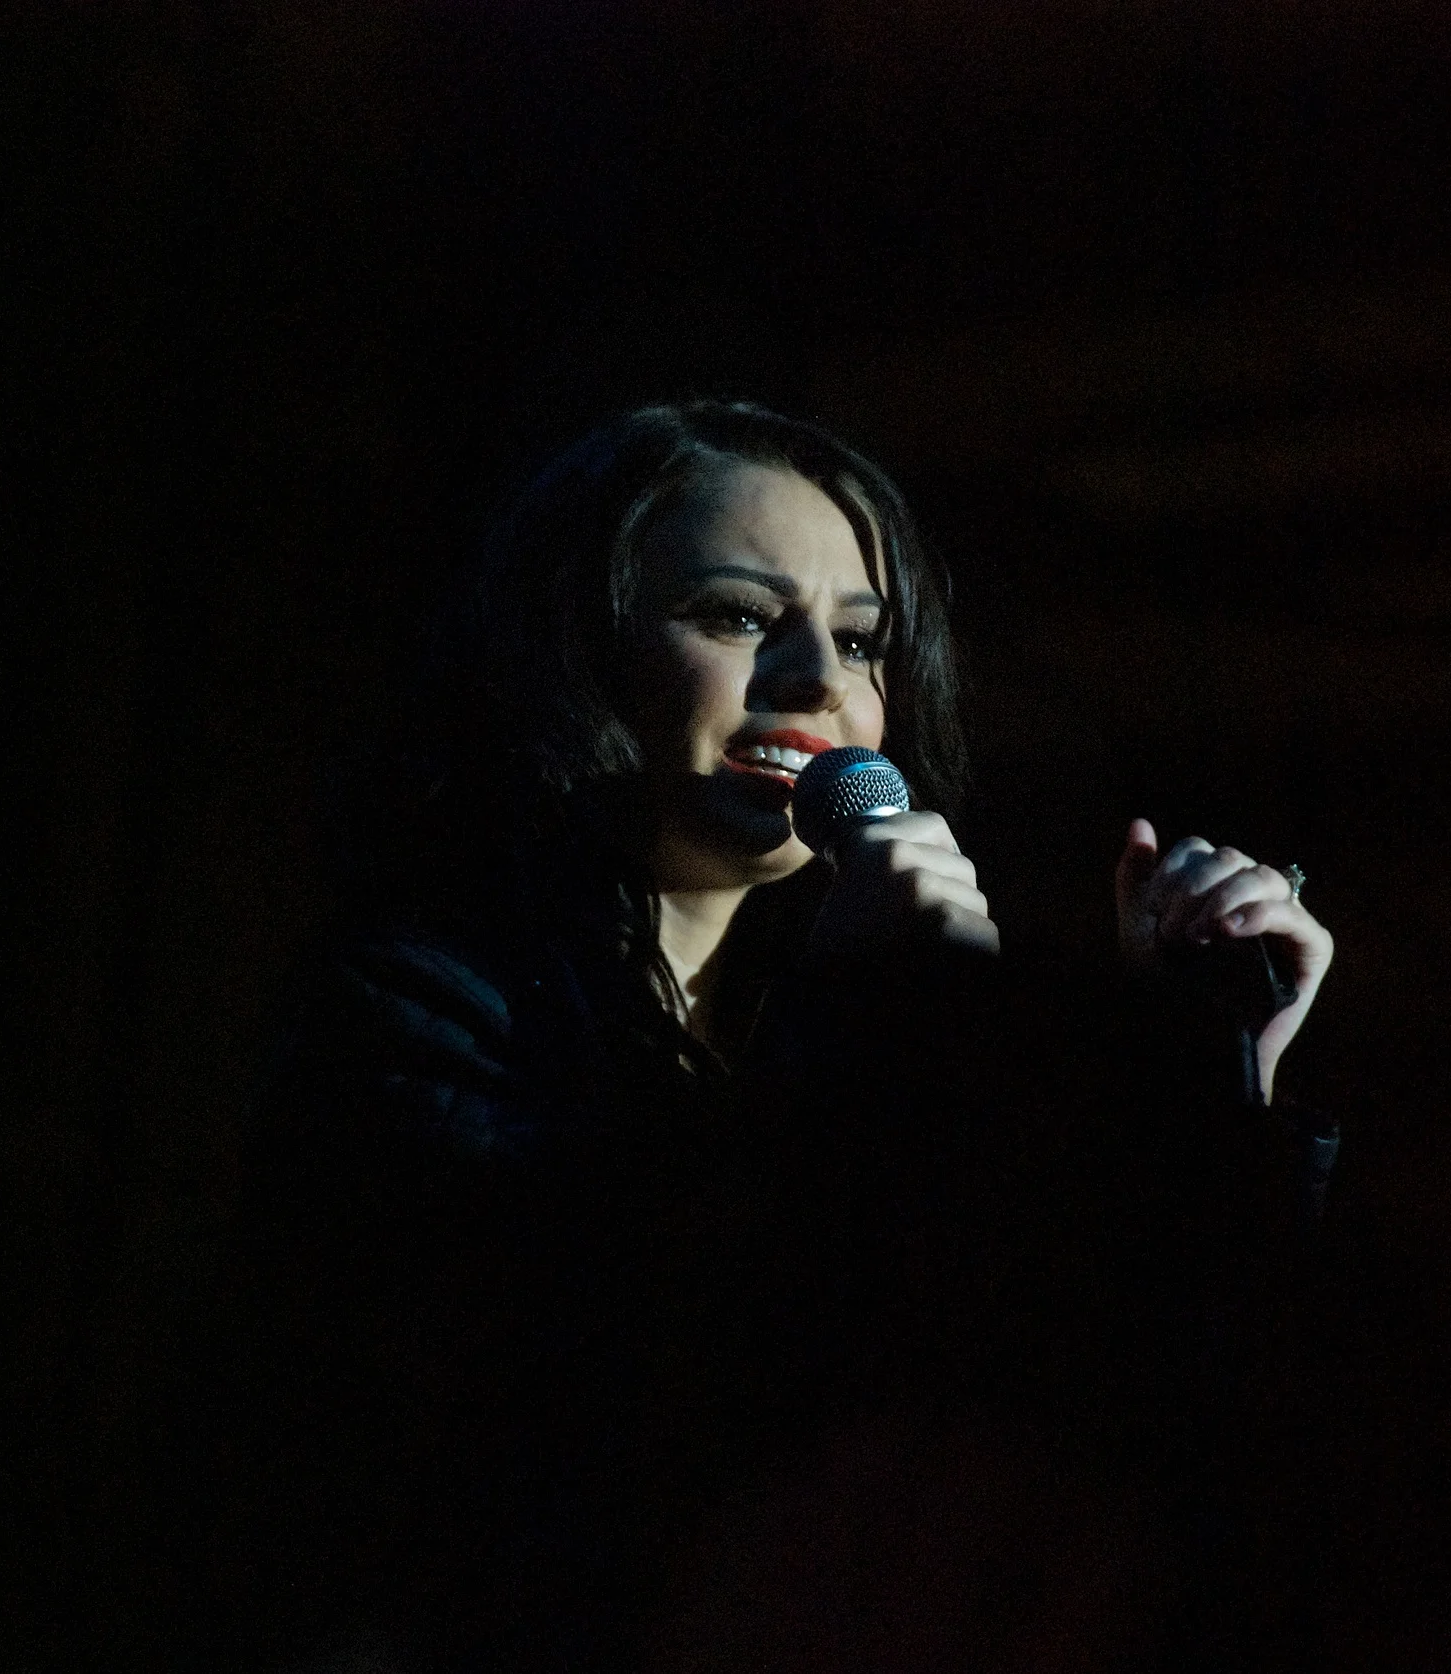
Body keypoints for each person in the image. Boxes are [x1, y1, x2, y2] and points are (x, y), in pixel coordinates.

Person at [210, 400, 1336, 1672]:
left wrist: (1204, 1077)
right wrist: (860, 1042)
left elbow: (1115, 1445)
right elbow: (585, 1408)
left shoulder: (813, 1021)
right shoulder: (421, 1008)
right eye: (740, 618)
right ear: (577, 651)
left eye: (859, 641)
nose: (817, 683)